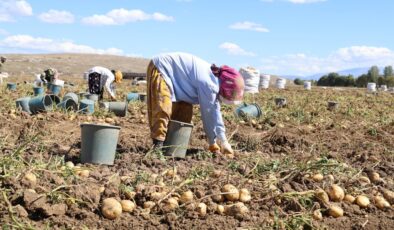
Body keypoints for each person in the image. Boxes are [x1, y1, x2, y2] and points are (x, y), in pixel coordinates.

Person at [146, 52, 245, 156]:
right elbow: (208, 116)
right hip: (161, 67)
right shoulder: (209, 85)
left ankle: (171, 148)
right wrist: (212, 143)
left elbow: (215, 112)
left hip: (181, 81)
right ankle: (157, 147)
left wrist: (224, 141)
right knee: (163, 108)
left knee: (184, 112)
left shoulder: (214, 82)